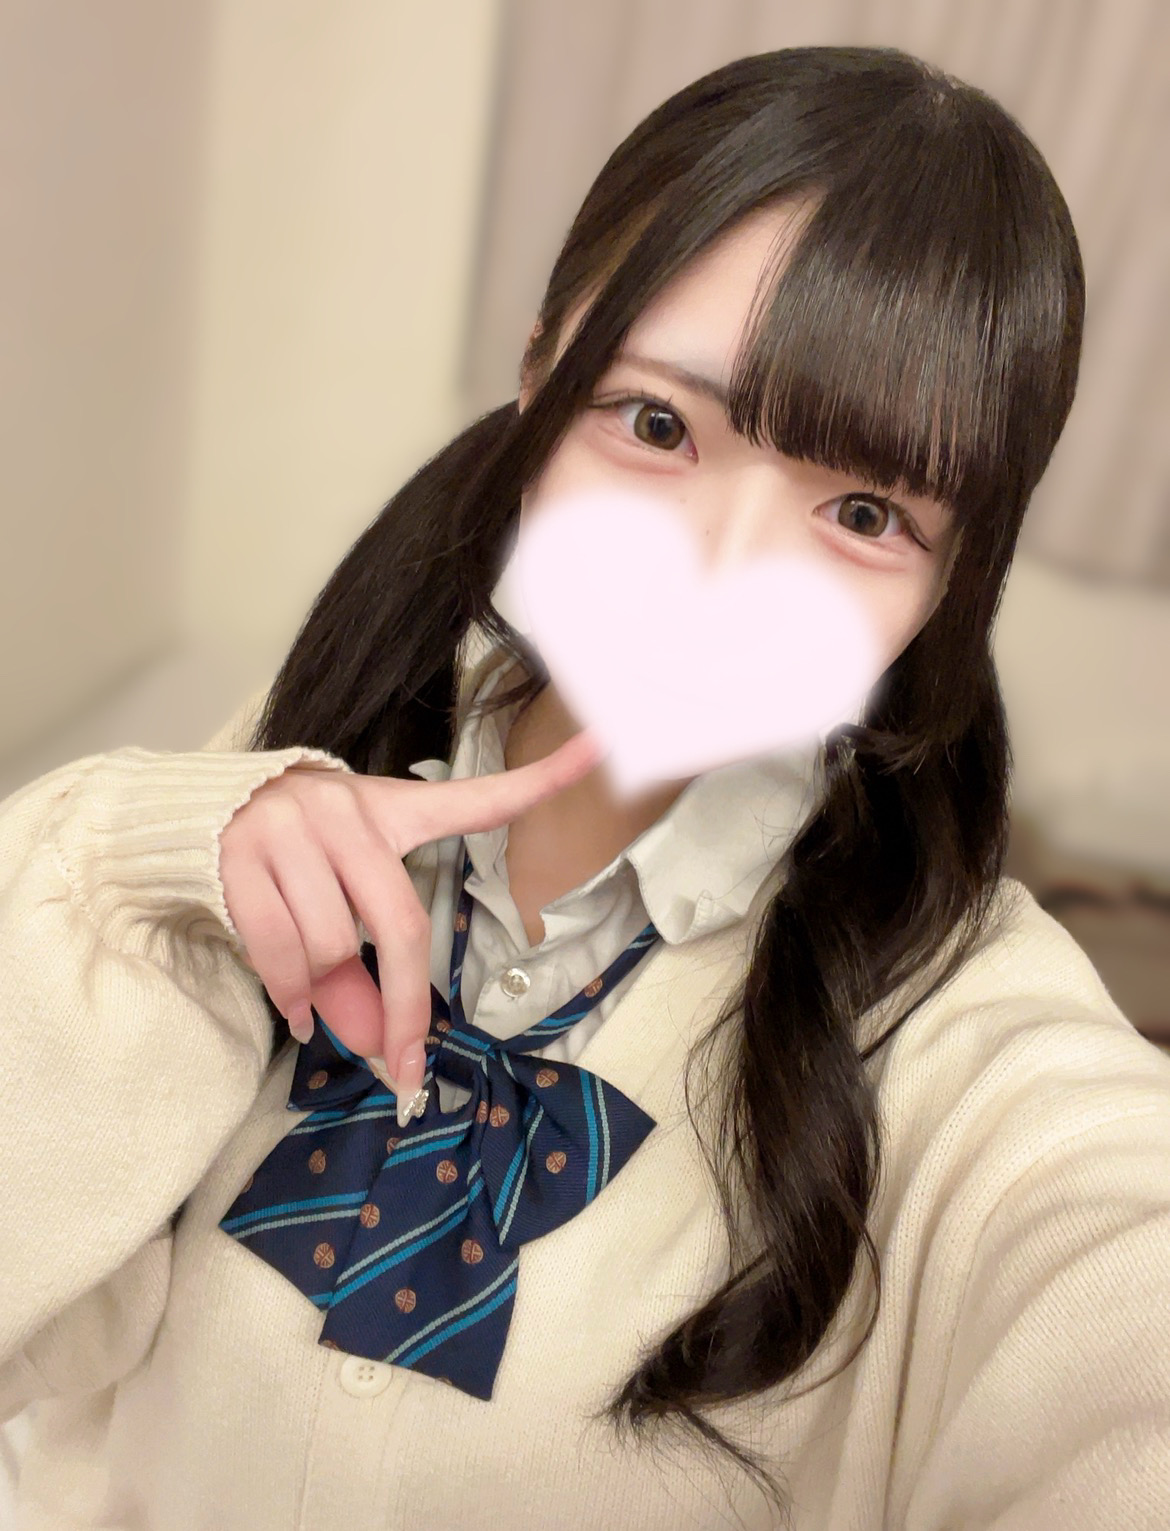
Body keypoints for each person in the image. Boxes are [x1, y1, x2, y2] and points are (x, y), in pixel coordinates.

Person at [2, 43, 1168, 1531]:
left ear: (952, 585)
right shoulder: (301, 756)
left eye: (864, 510)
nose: (719, 571)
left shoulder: (962, 1033)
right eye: (658, 425)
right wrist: (128, 870)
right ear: (540, 374)